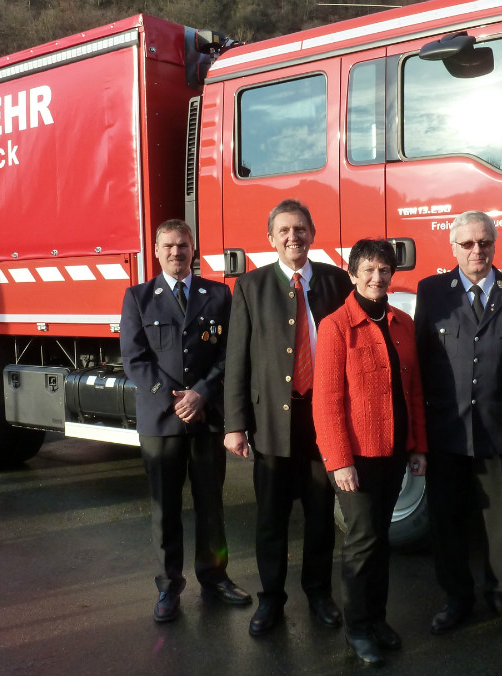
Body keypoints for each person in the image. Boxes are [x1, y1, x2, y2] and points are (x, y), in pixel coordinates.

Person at [223, 199, 354, 637]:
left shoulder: (337, 281)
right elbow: (237, 359)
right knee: (271, 517)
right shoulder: (250, 286)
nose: (293, 237)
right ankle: (271, 599)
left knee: (320, 513)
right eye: (284, 230)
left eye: (300, 229)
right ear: (271, 238)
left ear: (312, 234)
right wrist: (235, 424)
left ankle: (319, 594)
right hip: (271, 423)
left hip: (323, 418)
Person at [119, 219, 251, 622]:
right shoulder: (139, 297)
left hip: (206, 417)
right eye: (169, 246)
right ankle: (168, 587)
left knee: (211, 504)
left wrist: (202, 393)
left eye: (183, 245)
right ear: (156, 251)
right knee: (165, 509)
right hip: (161, 421)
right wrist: (172, 398)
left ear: (194, 250)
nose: (176, 252)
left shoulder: (218, 294)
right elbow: (134, 358)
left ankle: (215, 577)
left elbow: (230, 352)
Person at [414, 210, 502, 635]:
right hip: (446, 431)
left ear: (494, 245)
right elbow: (421, 363)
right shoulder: (432, 292)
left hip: (499, 431)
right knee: (447, 522)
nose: (476, 251)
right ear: (453, 247)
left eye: (484, 242)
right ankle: (456, 598)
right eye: (467, 244)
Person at [313, 238, 429, 666]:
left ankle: (378, 619)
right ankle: (357, 628)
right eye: (368, 270)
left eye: (384, 270)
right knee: (362, 542)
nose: (377, 278)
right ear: (352, 274)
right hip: (355, 459)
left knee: (381, 540)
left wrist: (418, 446)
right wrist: (339, 461)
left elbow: (413, 389)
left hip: (394, 451)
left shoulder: (402, 322)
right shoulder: (335, 326)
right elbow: (326, 403)